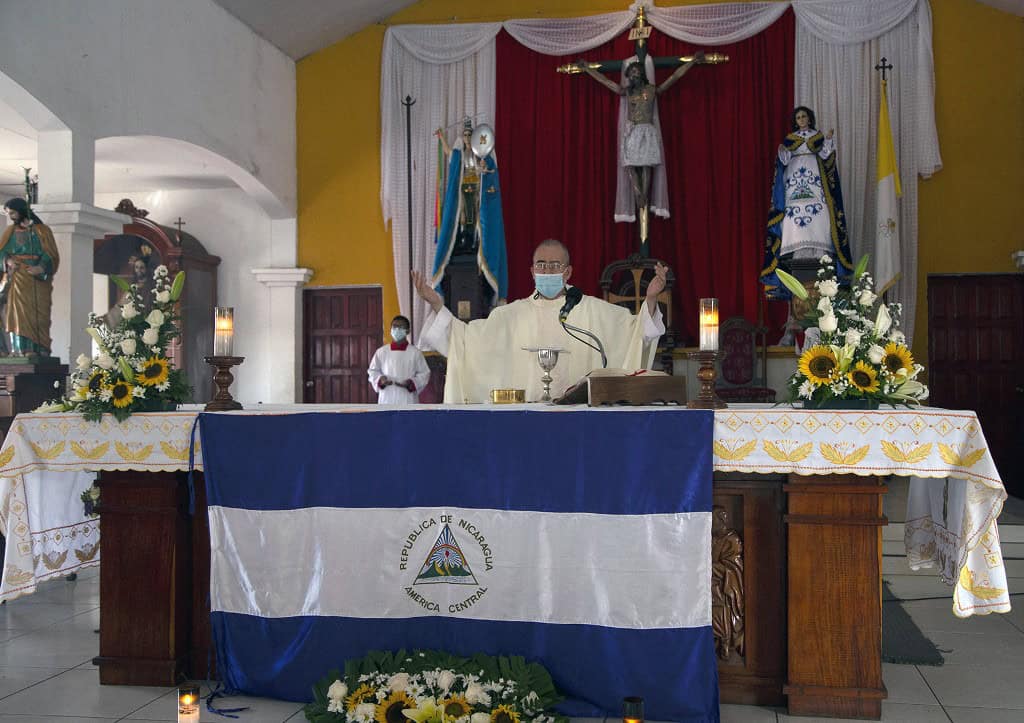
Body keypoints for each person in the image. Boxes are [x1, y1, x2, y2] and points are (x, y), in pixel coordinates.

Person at [412, 239, 667, 403]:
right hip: (526, 423)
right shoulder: (509, 316)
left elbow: (636, 332)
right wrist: (437, 305)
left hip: (578, 422)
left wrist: (652, 300)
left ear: (568, 272)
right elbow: (465, 342)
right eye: (541, 265)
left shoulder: (592, 311)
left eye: (554, 265)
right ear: (532, 271)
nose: (547, 271)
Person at [578, 52, 704, 238]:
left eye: (638, 71)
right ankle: (638, 194)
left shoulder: (652, 90)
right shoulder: (627, 92)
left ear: (642, 74)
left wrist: (692, 62)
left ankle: (643, 195)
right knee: (630, 166)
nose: (635, 74)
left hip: (646, 131)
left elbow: (674, 77)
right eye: (632, 72)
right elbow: (606, 82)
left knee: (645, 166)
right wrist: (588, 69)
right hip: (632, 132)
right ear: (628, 76)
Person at [761, 106, 853, 299]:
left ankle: (819, 247)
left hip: (814, 180)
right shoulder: (790, 139)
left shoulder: (817, 137)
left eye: (804, 116)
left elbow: (826, 155)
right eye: (798, 117)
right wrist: (783, 150)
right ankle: (795, 249)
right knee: (792, 217)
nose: (801, 119)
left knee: (821, 215)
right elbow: (783, 160)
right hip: (794, 182)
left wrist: (827, 139)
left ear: (809, 119)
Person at [432, 118, 508, 306]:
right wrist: (441, 137)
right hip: (462, 195)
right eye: (465, 135)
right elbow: (448, 152)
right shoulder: (459, 155)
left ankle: (474, 244)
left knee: (476, 222)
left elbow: (488, 170)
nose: (467, 139)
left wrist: (483, 169)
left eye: (470, 136)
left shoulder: (480, 155)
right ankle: (464, 241)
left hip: (476, 195)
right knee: (463, 221)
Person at [0, 198, 60, 357]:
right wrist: (8, 260)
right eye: (8, 214)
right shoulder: (10, 232)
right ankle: (19, 349)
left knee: (37, 313)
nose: (11, 216)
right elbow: (2, 252)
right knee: (16, 312)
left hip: (36, 278)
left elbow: (50, 254)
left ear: (21, 210)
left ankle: (38, 347)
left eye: (12, 212)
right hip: (17, 276)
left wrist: (41, 267)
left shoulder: (42, 230)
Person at [367, 315, 431, 405]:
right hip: (386, 397)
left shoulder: (415, 353)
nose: (397, 329)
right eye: (394, 326)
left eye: (400, 327)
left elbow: (424, 373)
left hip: (407, 398)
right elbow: (373, 371)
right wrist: (380, 380)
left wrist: (411, 383)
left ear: (407, 331)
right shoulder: (381, 352)